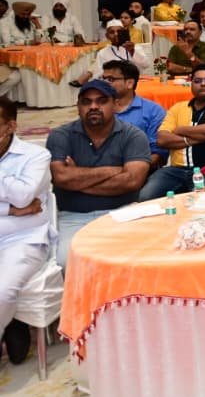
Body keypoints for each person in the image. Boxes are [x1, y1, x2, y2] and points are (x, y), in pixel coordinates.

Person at [46, 80, 150, 266]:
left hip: (123, 212)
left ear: (116, 105)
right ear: (78, 107)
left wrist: (76, 177)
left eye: (101, 101)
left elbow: (132, 181)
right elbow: (61, 178)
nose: (93, 106)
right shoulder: (60, 135)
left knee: (134, 261)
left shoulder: (133, 136)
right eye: (86, 102)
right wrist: (114, 170)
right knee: (66, 263)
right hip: (73, 215)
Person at [0, 97, 52, 366]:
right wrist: (10, 210)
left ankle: (10, 323)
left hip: (23, 239)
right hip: (13, 223)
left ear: (10, 126)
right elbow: (18, 203)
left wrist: (17, 204)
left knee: (2, 291)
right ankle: (11, 323)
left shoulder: (36, 156)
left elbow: (23, 196)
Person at [139, 62, 205, 201]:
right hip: (175, 170)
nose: (203, 84)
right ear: (191, 84)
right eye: (197, 81)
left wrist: (179, 129)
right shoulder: (178, 107)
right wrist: (200, 135)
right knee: (145, 197)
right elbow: (162, 139)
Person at [100, 60, 166, 170]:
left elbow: (157, 153)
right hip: (100, 169)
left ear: (129, 83)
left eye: (111, 79)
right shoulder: (97, 109)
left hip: (140, 170)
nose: (104, 84)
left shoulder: (153, 111)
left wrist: (129, 171)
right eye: (103, 79)